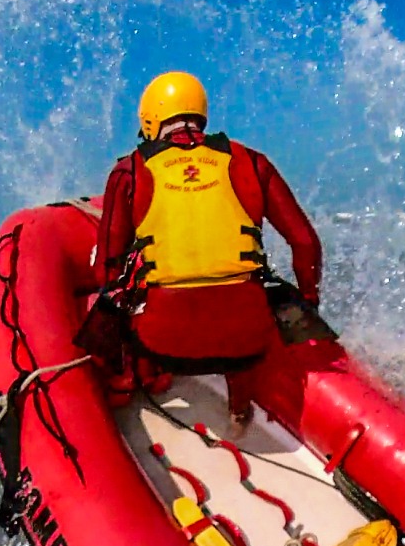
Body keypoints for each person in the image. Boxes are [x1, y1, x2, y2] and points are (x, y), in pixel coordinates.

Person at [87, 71, 322, 430]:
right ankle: (239, 411)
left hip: (161, 340)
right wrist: (308, 299)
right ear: (201, 114)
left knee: (119, 290)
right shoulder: (252, 161)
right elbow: (305, 242)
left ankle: (136, 379)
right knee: (247, 293)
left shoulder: (130, 170)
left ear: (149, 119)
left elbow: (107, 266)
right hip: (246, 340)